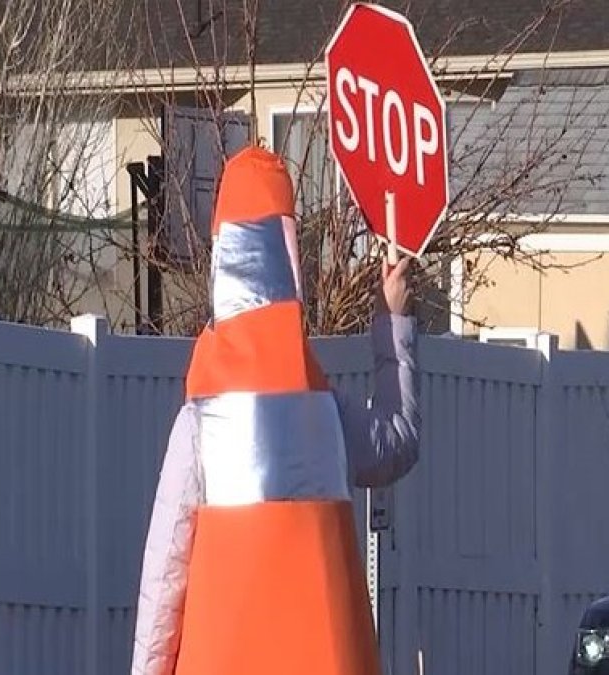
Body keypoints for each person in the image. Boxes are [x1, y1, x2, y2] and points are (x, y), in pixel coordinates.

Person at [131, 146, 420, 675]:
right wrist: (391, 322)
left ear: (224, 264)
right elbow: (398, 442)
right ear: (290, 265)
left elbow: (164, 578)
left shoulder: (201, 422)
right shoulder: (325, 412)